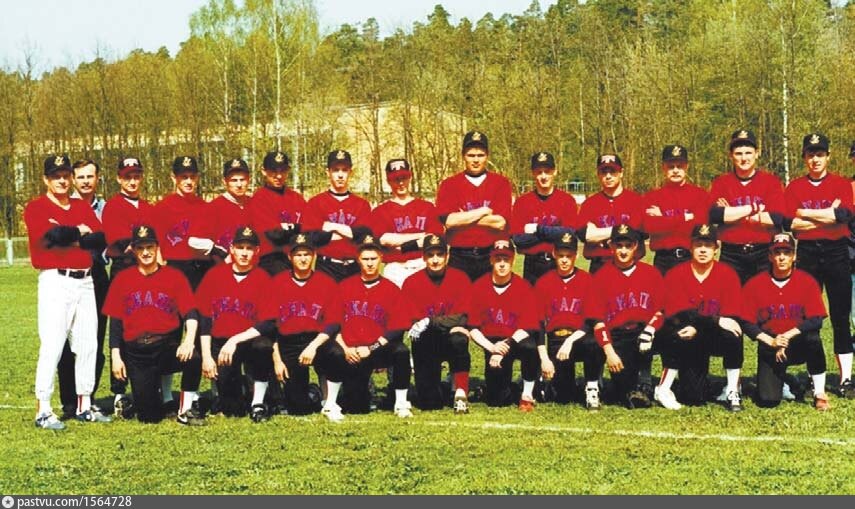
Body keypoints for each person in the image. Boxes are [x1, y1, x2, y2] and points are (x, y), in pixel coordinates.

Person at [24, 154, 111, 429]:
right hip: (56, 280)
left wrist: (68, 235)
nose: (61, 181)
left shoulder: (79, 205)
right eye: (55, 176)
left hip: (85, 280)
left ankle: (84, 404)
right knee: (53, 345)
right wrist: (77, 233)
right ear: (46, 180)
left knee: (88, 344)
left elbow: (100, 238)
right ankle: (43, 409)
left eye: (65, 176)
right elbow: (51, 237)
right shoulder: (36, 207)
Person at [103, 225, 205, 424]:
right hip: (137, 353)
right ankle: (147, 399)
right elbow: (115, 323)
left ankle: (185, 410)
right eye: (140, 248)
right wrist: (116, 357)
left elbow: (191, 312)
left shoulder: (174, 276)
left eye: (150, 247)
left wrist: (188, 341)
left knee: (193, 357)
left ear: (157, 248)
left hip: (165, 347)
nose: (146, 252)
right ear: (134, 250)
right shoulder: (123, 279)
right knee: (149, 417)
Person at [227, 233, 336, 418]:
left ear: (314, 256)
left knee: (335, 354)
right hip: (289, 342)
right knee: (298, 408)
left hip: (317, 340)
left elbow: (333, 323)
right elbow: (271, 326)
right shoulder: (277, 283)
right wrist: (277, 360)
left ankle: (330, 402)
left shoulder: (326, 282)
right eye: (298, 255)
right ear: (289, 257)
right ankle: (312, 394)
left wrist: (313, 347)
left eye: (307, 254)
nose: (303, 259)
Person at [785, 133, 855, 399]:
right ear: (804, 157)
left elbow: (843, 216)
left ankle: (845, 378)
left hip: (837, 253)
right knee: (806, 316)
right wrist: (827, 216)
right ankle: (814, 376)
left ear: (828, 156)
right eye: (811, 154)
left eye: (820, 154)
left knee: (840, 317)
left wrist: (805, 213)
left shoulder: (840, 184)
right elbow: (789, 223)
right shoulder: (795, 187)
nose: (815, 159)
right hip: (807, 254)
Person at [318, 234, 413, 422]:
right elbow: (332, 322)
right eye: (365, 259)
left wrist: (372, 348)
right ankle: (330, 403)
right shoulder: (344, 287)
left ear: (381, 259)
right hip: (351, 351)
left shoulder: (391, 289)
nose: (370, 263)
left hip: (376, 349)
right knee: (357, 406)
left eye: (373, 259)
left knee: (401, 351)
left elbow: (397, 327)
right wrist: (345, 348)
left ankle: (401, 403)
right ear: (358, 260)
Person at [653, 224, 744, 412]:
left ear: (716, 248)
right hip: (689, 338)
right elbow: (678, 312)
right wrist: (715, 320)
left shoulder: (727, 273)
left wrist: (703, 325)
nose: (703, 250)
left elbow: (731, 314)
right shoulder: (676, 273)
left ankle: (732, 388)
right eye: (698, 244)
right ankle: (664, 388)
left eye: (708, 245)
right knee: (694, 397)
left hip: (713, 335)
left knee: (733, 332)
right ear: (690, 246)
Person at [741, 233, 830, 410]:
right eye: (777, 252)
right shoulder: (755, 284)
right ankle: (787, 381)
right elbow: (746, 322)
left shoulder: (807, 281)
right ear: (770, 256)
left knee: (813, 339)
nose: (782, 257)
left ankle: (819, 392)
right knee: (768, 400)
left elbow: (816, 319)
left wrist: (788, 336)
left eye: (787, 252)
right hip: (770, 345)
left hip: (798, 342)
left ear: (794, 256)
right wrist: (771, 341)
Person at [197, 226, 274, 422]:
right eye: (240, 247)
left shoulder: (263, 278)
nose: (244, 253)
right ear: (231, 249)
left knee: (263, 346)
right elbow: (204, 318)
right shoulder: (215, 275)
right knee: (233, 410)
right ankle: (237, 390)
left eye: (249, 248)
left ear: (257, 251)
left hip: (249, 342)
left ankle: (258, 402)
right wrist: (207, 356)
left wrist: (235, 340)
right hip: (222, 344)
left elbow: (268, 323)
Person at [100, 156, 155, 417]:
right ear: (119, 179)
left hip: (147, 271)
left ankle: (148, 384)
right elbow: (122, 243)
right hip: (124, 269)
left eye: (136, 176)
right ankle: (120, 392)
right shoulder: (113, 206)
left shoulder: (147, 207)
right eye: (127, 177)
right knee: (121, 327)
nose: (132, 181)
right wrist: (145, 249)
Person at [588, 224, 665, 409]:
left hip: (646, 332)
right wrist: (610, 353)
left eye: (628, 246)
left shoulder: (651, 273)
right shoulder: (601, 277)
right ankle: (630, 384)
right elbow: (597, 321)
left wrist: (651, 329)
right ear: (611, 247)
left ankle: (656, 383)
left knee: (673, 334)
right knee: (623, 391)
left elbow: (661, 310)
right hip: (618, 336)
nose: (623, 251)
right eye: (619, 245)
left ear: (635, 246)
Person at [56, 159, 110, 418]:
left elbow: (104, 239)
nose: (86, 181)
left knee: (94, 339)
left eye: (90, 176)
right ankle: (69, 400)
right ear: (73, 179)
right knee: (65, 341)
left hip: (97, 274)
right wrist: (84, 236)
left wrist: (79, 237)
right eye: (81, 177)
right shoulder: (64, 205)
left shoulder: (106, 208)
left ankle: (87, 397)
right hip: (67, 276)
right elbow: (57, 240)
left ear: (97, 178)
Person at [467, 239, 540, 411]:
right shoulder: (478, 287)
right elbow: (473, 327)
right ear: (491, 260)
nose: (501, 264)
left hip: (515, 340)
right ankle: (500, 389)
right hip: (492, 342)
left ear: (513, 260)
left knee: (530, 347)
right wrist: (492, 348)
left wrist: (505, 346)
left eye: (506, 259)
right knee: (498, 400)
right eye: (498, 259)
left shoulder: (523, 286)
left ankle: (527, 394)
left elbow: (529, 326)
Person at [402, 234, 472, 413]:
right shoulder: (411, 282)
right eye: (430, 255)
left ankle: (460, 392)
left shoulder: (461, 278)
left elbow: (463, 317)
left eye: (439, 255)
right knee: (429, 403)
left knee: (459, 337)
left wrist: (430, 321)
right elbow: (414, 321)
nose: (435, 260)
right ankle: (441, 387)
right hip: (426, 342)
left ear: (447, 256)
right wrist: (445, 322)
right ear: (423, 257)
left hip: (450, 338)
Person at [534, 232, 604, 410]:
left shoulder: (587, 280)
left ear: (576, 255)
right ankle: (555, 384)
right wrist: (544, 359)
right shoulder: (543, 282)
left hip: (579, 338)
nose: (564, 260)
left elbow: (590, 320)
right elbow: (539, 324)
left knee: (593, 342)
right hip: (556, 341)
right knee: (563, 396)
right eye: (561, 255)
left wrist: (570, 341)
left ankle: (592, 387)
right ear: (554, 254)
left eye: (569, 256)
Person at [709, 129, 786, 284]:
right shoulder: (721, 183)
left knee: (763, 297)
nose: (744, 158)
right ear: (731, 155)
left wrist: (731, 213)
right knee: (730, 298)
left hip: (763, 253)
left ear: (757, 153)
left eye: (748, 153)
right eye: (738, 154)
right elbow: (715, 215)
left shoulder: (771, 182)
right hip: (731, 254)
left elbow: (777, 218)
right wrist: (754, 210)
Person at [435, 131, 512, 282]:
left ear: (487, 156)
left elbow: (500, 223)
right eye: (471, 155)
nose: (476, 160)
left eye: (480, 155)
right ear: (463, 156)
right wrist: (484, 211)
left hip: (489, 255)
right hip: (459, 256)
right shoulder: (449, 185)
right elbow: (449, 222)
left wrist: (463, 217)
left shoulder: (500, 183)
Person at [368, 158, 442, 288]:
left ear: (410, 177)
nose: (401, 183)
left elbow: (433, 238)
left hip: (422, 264)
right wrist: (419, 236)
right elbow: (384, 240)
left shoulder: (427, 207)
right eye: (395, 179)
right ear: (388, 181)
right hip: (395, 268)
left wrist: (400, 245)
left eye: (404, 177)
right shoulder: (380, 211)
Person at [511, 151, 579, 284]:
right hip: (532, 266)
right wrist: (554, 232)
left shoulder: (566, 200)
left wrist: (537, 229)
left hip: (558, 264)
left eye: (547, 171)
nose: (543, 176)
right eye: (539, 172)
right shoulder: (522, 202)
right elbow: (518, 240)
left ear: (555, 172)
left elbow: (569, 233)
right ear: (533, 173)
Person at [248, 151, 320, 276]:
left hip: (298, 257)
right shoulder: (259, 199)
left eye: (283, 171)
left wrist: (287, 228)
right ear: (264, 171)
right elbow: (275, 236)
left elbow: (310, 229)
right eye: (273, 171)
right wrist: (297, 227)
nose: (279, 176)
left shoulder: (296, 198)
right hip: (272, 260)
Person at [643, 145, 710, 275]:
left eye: (679, 166)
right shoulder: (652, 197)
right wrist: (685, 218)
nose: (675, 170)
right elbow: (651, 226)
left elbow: (698, 228)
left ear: (687, 167)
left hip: (691, 258)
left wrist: (663, 218)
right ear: (663, 167)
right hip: (663, 260)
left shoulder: (700, 195)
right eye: (671, 166)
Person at [307, 150, 373, 282]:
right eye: (336, 170)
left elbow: (364, 236)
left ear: (350, 172)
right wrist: (351, 233)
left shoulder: (362, 204)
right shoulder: (315, 202)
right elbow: (312, 238)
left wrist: (331, 227)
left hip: (354, 267)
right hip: (326, 266)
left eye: (344, 170)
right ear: (328, 172)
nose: (340, 175)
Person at [577, 154, 646, 274]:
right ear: (598, 174)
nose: (608, 176)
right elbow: (584, 235)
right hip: (599, 266)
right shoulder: (589, 204)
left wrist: (598, 234)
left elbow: (640, 233)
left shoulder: (636, 201)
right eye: (604, 172)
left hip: (630, 267)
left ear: (621, 172)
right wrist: (622, 231)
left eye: (613, 171)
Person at [154, 156, 215, 290]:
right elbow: (156, 244)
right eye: (184, 177)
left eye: (192, 177)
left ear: (197, 178)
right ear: (174, 178)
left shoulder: (205, 207)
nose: (189, 181)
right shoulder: (163, 207)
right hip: (175, 267)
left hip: (202, 268)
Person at [209, 158, 253, 260]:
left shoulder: (255, 204)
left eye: (242, 180)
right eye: (234, 180)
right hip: (223, 265)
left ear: (249, 180)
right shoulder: (214, 207)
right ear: (225, 182)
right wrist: (221, 254)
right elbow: (196, 240)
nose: (239, 185)